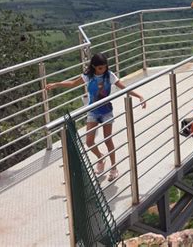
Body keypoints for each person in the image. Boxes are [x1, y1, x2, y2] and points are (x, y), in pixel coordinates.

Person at [46, 53, 146, 181]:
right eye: (100, 68)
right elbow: (72, 84)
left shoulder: (109, 75)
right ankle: (100, 158)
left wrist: (139, 96)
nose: (102, 70)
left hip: (106, 111)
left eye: (104, 67)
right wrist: (56, 84)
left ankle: (114, 167)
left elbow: (123, 87)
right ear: (93, 66)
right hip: (92, 111)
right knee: (89, 141)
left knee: (107, 140)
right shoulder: (88, 76)